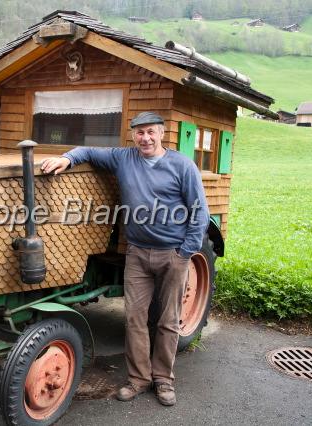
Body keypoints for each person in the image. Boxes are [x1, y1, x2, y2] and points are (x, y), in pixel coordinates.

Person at [41, 111, 209, 406]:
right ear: (133, 135)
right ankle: (139, 379)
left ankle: (164, 380)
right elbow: (88, 150)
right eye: (140, 132)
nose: (145, 138)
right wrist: (67, 158)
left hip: (173, 253)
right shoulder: (124, 158)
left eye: (150, 132)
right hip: (137, 253)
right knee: (134, 319)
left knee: (168, 321)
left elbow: (200, 212)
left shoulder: (182, 166)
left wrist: (185, 252)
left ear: (162, 134)